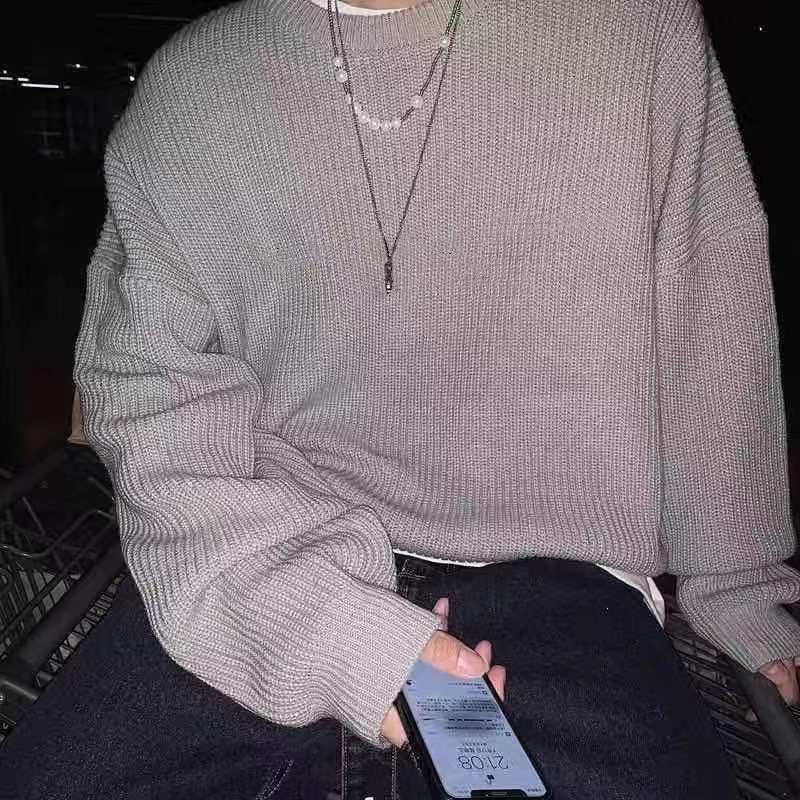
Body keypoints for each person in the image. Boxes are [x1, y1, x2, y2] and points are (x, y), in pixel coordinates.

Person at [2, 0, 798, 797]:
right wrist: (337, 637)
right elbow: (150, 399)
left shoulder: (636, 27)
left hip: (568, 584)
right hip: (261, 564)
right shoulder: (193, 87)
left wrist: (740, 584)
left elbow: (712, 315)